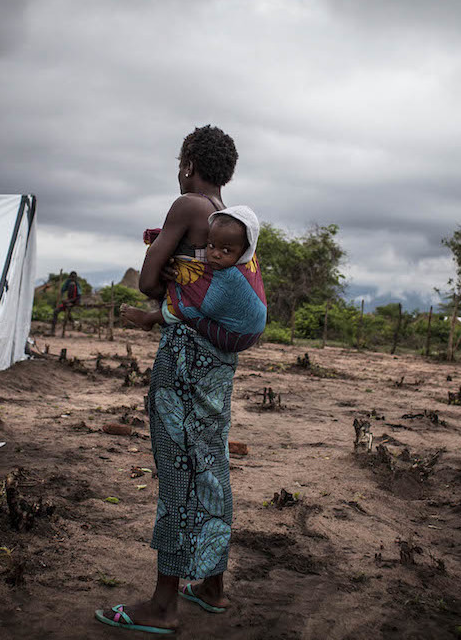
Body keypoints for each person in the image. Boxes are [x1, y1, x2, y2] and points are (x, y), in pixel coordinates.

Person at [96, 125, 242, 635]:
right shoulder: (231, 224)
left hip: (182, 358)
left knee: (177, 468)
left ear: (188, 164)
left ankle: (164, 603)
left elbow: (146, 281)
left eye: (181, 164)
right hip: (218, 362)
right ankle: (213, 586)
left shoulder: (187, 207)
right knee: (210, 460)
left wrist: (161, 258)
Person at [120, 206, 266, 351]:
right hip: (245, 334)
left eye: (226, 250)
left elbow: (206, 303)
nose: (215, 254)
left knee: (187, 308)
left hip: (234, 337)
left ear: (245, 251)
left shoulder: (234, 278)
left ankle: (149, 319)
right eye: (211, 245)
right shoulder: (240, 264)